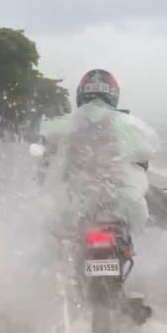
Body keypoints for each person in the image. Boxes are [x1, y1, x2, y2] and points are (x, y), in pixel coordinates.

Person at [59, 69, 160, 231]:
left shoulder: (65, 124)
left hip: (82, 193)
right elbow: (147, 151)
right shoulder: (127, 123)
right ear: (113, 95)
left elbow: (47, 150)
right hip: (113, 194)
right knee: (134, 209)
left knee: (57, 220)